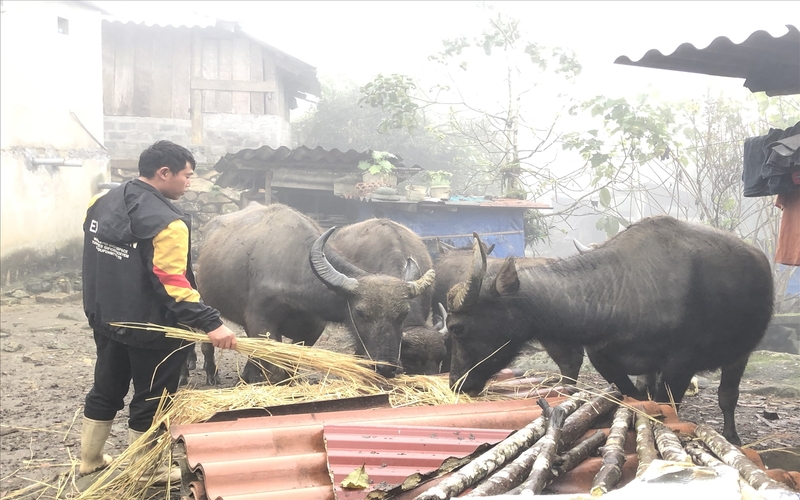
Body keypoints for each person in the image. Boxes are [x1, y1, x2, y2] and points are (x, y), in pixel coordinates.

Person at [79, 140, 237, 480]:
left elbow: (99, 259)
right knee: (153, 398)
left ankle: (89, 459)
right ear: (164, 173)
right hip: (153, 329)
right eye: (186, 175)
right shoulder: (169, 223)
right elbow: (172, 283)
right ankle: (147, 470)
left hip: (107, 317)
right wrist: (212, 324)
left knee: (106, 388)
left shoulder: (100, 202)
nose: (188, 183)